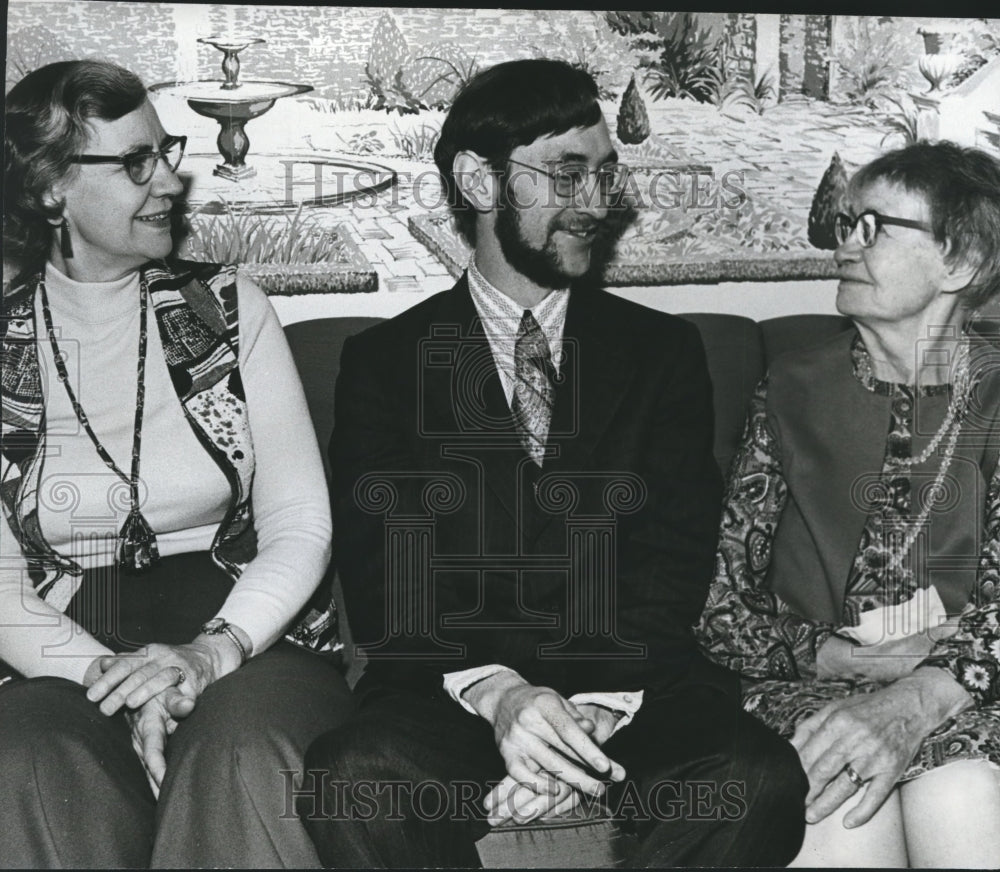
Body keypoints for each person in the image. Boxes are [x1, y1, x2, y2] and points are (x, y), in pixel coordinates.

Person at [299, 58, 807, 868]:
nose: (596, 204)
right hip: (460, 694)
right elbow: (389, 573)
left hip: (632, 696)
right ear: (477, 180)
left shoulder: (662, 352)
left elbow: (676, 556)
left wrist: (589, 721)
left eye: (605, 176)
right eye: (567, 175)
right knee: (356, 779)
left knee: (751, 778)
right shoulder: (386, 363)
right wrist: (505, 700)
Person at [0, 60, 353, 867]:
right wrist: (120, 682)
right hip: (60, 645)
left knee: (243, 751)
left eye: (164, 151)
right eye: (134, 163)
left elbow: (301, 522)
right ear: (52, 188)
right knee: (27, 759)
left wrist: (210, 652)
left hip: (241, 627)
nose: (167, 179)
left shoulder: (229, 309)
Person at [697, 141, 1000, 868]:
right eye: (845, 223)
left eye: (877, 227)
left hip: (973, 690)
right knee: (835, 790)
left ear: (958, 263)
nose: (846, 245)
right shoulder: (792, 388)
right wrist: (833, 656)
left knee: (958, 790)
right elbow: (719, 608)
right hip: (812, 689)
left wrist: (928, 681)